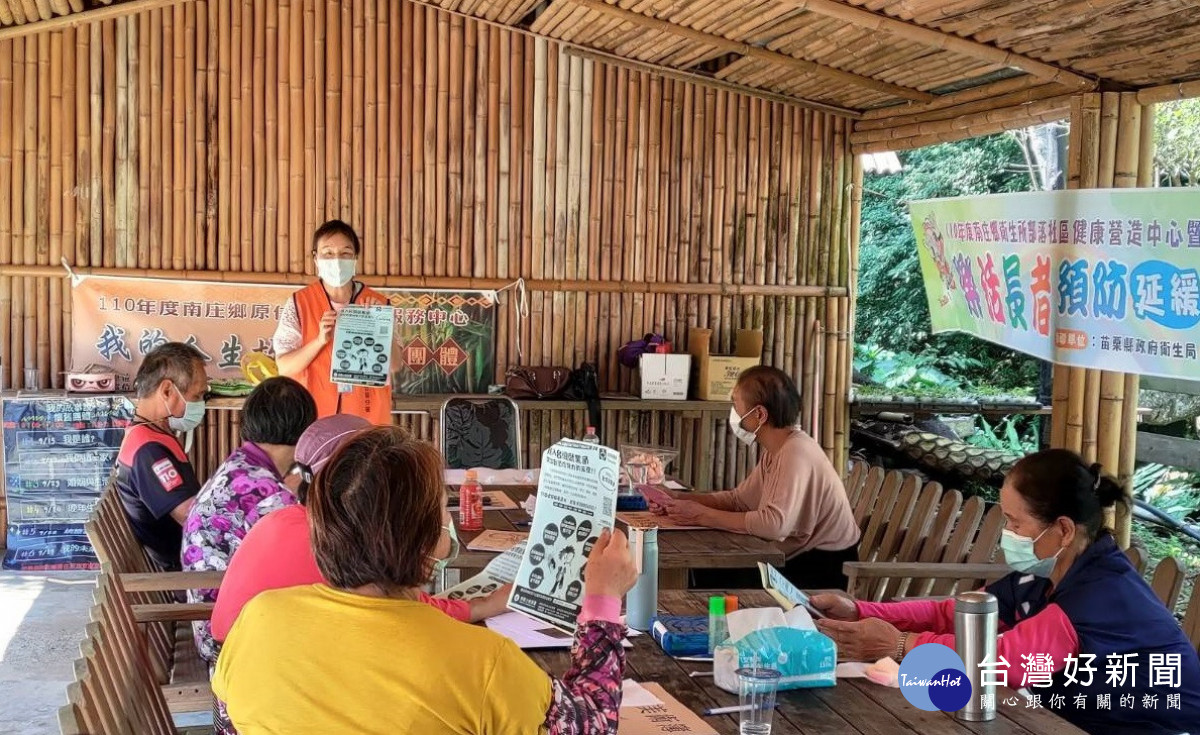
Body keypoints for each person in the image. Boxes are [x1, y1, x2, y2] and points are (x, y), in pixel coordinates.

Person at [214, 426, 638, 735]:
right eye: (441, 512)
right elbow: (592, 723)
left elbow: (227, 723)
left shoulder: (258, 620)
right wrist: (601, 601)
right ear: (424, 541)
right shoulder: (483, 663)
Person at [811, 449, 1200, 735]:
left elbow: (998, 662)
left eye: (1015, 523)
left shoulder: (1099, 594)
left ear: (1063, 529)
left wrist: (899, 646)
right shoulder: (1047, 572)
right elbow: (958, 614)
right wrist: (859, 611)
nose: (1007, 534)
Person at [209, 414, 510, 646]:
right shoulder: (336, 539)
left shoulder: (284, 518)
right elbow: (402, 610)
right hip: (267, 690)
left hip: (244, 675)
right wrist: (483, 606)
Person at [653, 365, 859, 589]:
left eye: (736, 404)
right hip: (798, 558)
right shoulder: (776, 450)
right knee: (704, 574)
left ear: (760, 414)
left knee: (709, 578)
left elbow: (773, 525)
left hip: (823, 569)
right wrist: (679, 499)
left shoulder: (796, 452)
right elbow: (738, 501)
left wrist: (701, 516)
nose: (734, 413)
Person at [180, 377, 317, 666]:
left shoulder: (240, 467)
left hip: (210, 622)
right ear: (304, 433)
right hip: (232, 644)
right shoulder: (270, 498)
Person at [272, 219, 395, 425]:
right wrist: (319, 340)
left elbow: (395, 364)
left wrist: (380, 329)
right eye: (328, 253)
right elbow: (284, 367)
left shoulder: (379, 304)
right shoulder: (299, 303)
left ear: (355, 258)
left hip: (368, 423)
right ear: (316, 258)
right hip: (314, 421)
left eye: (345, 253)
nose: (337, 260)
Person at [113, 342, 208, 571]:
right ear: (167, 391)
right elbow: (189, 517)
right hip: (187, 572)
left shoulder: (150, 435)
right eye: (197, 395)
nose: (201, 404)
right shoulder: (148, 452)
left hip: (191, 556)